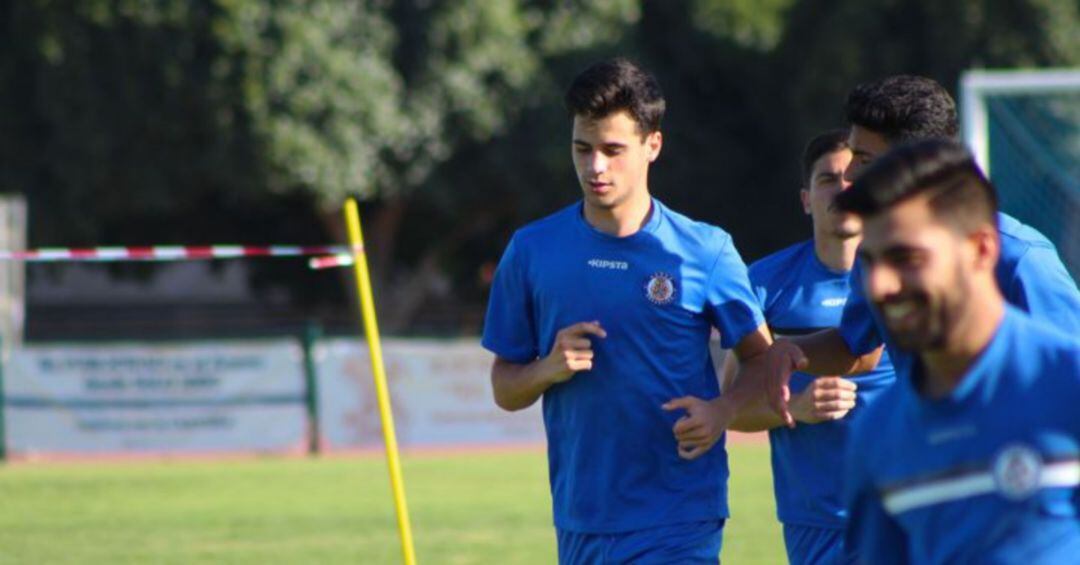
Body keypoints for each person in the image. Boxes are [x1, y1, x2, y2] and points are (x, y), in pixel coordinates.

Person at [481, 58, 773, 563]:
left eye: (613, 150)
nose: (596, 167)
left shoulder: (706, 250)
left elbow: (763, 358)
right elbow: (505, 389)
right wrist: (546, 369)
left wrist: (722, 411)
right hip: (582, 515)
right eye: (583, 148)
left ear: (652, 145)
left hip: (681, 512)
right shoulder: (532, 250)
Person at [763, 75, 1080, 426]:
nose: (849, 174)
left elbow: (1068, 372)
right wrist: (792, 351)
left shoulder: (1022, 259)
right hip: (931, 449)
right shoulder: (876, 252)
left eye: (863, 159)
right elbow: (853, 345)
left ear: (918, 161)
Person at [836, 139, 1080, 563]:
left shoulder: (1068, 386)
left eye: (905, 258)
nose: (880, 287)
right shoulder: (878, 432)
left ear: (982, 249)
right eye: (871, 262)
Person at [720, 130, 894, 564]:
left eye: (853, 177)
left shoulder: (911, 275)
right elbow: (730, 406)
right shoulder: (763, 283)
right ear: (805, 199)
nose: (842, 190)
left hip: (901, 506)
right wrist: (794, 408)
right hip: (816, 520)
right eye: (827, 180)